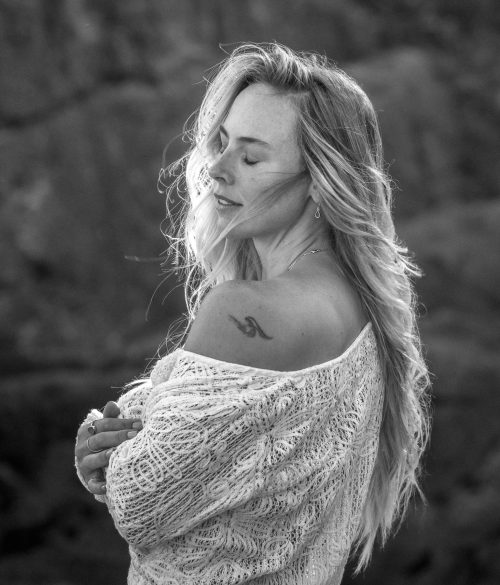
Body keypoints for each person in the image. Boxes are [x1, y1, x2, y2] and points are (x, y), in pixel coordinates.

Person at [75, 42, 430, 585]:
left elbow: (141, 501)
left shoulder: (245, 309)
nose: (216, 169)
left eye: (251, 155)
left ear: (319, 180)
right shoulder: (363, 309)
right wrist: (136, 426)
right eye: (220, 143)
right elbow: (238, 455)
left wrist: (106, 450)